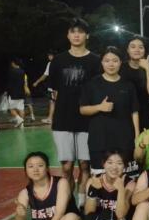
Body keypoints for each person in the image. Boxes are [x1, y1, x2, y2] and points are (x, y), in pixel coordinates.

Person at [49, 18, 101, 207]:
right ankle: (67, 205)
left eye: (80, 32)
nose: (76, 35)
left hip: (87, 120)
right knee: (66, 166)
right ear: (68, 35)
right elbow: (54, 92)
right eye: (73, 31)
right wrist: (51, 116)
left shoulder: (96, 61)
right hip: (63, 120)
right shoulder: (58, 61)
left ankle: (82, 204)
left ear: (87, 35)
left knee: (85, 165)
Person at [79, 46, 140, 179]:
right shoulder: (92, 84)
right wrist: (99, 107)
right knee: (99, 181)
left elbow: (134, 112)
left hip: (124, 140)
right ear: (102, 62)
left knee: (126, 180)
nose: (111, 64)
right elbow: (83, 109)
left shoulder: (128, 85)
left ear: (120, 62)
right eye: (107, 61)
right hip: (99, 140)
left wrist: (136, 137)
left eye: (115, 60)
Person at [120, 36, 149, 131]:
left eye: (141, 47)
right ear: (127, 50)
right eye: (133, 47)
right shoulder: (120, 68)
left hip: (145, 115)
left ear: (145, 50)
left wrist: (148, 69)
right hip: (124, 114)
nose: (137, 50)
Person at [33, 51, 56, 125]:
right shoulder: (59, 63)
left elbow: (45, 75)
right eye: (48, 55)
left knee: (53, 102)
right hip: (57, 86)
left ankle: (50, 119)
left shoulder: (52, 63)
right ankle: (51, 118)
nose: (49, 57)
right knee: (54, 102)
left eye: (50, 55)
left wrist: (37, 82)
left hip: (54, 86)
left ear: (54, 56)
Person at [6, 57, 30, 128]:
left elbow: (10, 83)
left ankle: (19, 119)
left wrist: (8, 91)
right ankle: (21, 125)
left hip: (13, 93)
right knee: (21, 109)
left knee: (11, 109)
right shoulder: (22, 71)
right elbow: (24, 82)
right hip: (21, 92)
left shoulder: (11, 71)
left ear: (14, 63)